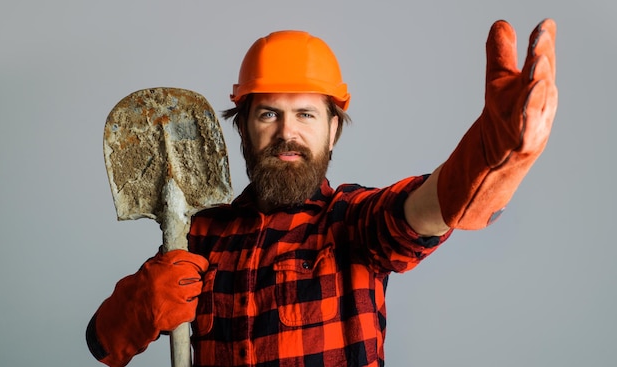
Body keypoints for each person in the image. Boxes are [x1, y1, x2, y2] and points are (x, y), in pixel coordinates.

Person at [86, 19, 557, 367]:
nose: (287, 132)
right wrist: (136, 307)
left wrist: (483, 160)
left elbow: (420, 212)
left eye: (307, 114)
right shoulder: (199, 235)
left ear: (334, 131)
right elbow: (101, 344)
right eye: (268, 113)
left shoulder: (351, 221)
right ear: (244, 130)